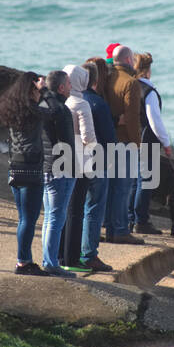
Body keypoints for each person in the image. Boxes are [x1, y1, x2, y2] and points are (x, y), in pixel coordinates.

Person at [0, 71, 60, 275]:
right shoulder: (33, 110)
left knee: (23, 218)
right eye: (36, 89)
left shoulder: (14, 109)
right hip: (31, 169)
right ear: (31, 89)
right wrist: (46, 91)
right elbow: (54, 110)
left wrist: (40, 92)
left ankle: (24, 259)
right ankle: (23, 262)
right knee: (28, 219)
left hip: (14, 167)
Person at [75, 57, 115, 273]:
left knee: (76, 207)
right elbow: (109, 139)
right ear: (96, 79)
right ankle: (89, 254)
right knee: (94, 206)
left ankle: (72, 250)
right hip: (97, 161)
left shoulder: (71, 100)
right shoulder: (98, 103)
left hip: (74, 160)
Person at [102, 45, 143, 245]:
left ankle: (109, 227)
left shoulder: (107, 79)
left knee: (110, 187)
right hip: (125, 141)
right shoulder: (131, 83)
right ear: (129, 60)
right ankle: (119, 229)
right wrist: (138, 143)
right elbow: (132, 117)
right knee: (123, 187)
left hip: (108, 139)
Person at [58, 63, 97, 273]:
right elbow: (88, 137)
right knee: (76, 210)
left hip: (60, 158)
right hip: (81, 161)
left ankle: (59, 254)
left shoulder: (61, 101)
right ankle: (72, 259)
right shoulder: (81, 104)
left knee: (62, 209)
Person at [39, 69, 78, 278]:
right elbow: (66, 145)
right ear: (61, 88)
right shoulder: (60, 110)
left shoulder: (42, 106)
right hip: (60, 170)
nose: (71, 87)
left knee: (49, 218)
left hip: (46, 167)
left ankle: (48, 259)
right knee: (56, 218)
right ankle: (51, 262)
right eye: (69, 84)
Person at [130, 52, 172, 235]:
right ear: (147, 70)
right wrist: (166, 142)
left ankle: (129, 218)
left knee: (132, 181)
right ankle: (141, 221)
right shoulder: (149, 92)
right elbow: (155, 120)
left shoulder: (130, 87)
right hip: (147, 140)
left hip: (130, 139)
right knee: (145, 182)